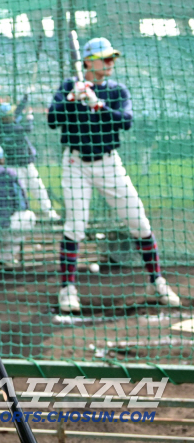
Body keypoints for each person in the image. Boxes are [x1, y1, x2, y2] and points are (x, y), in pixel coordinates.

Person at [48, 37, 180, 313]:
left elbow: (126, 121)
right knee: (75, 226)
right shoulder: (69, 86)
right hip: (75, 163)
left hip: (109, 163)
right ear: (88, 61)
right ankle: (68, 289)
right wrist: (73, 99)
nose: (110, 64)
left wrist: (97, 104)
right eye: (104, 59)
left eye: (111, 59)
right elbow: (52, 119)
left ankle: (157, 281)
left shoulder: (117, 90)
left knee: (139, 221)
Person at [0, 102, 59, 221]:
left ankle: (43, 213)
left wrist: (25, 99)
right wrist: (29, 117)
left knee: (33, 189)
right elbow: (28, 127)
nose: (13, 114)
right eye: (10, 114)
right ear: (6, 116)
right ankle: (34, 214)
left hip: (19, 165)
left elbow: (16, 113)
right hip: (18, 166)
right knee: (27, 190)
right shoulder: (13, 127)